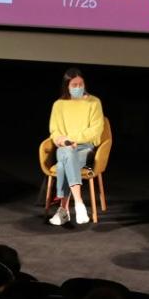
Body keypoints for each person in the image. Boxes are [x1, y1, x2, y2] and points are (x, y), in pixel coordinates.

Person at [47, 67, 105, 226]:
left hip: (85, 147)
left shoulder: (94, 102)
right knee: (66, 153)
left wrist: (73, 140)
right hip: (64, 147)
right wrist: (63, 141)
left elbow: (96, 130)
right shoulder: (59, 104)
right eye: (74, 85)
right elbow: (54, 131)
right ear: (67, 86)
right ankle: (79, 204)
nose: (78, 87)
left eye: (81, 84)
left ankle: (63, 210)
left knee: (62, 166)